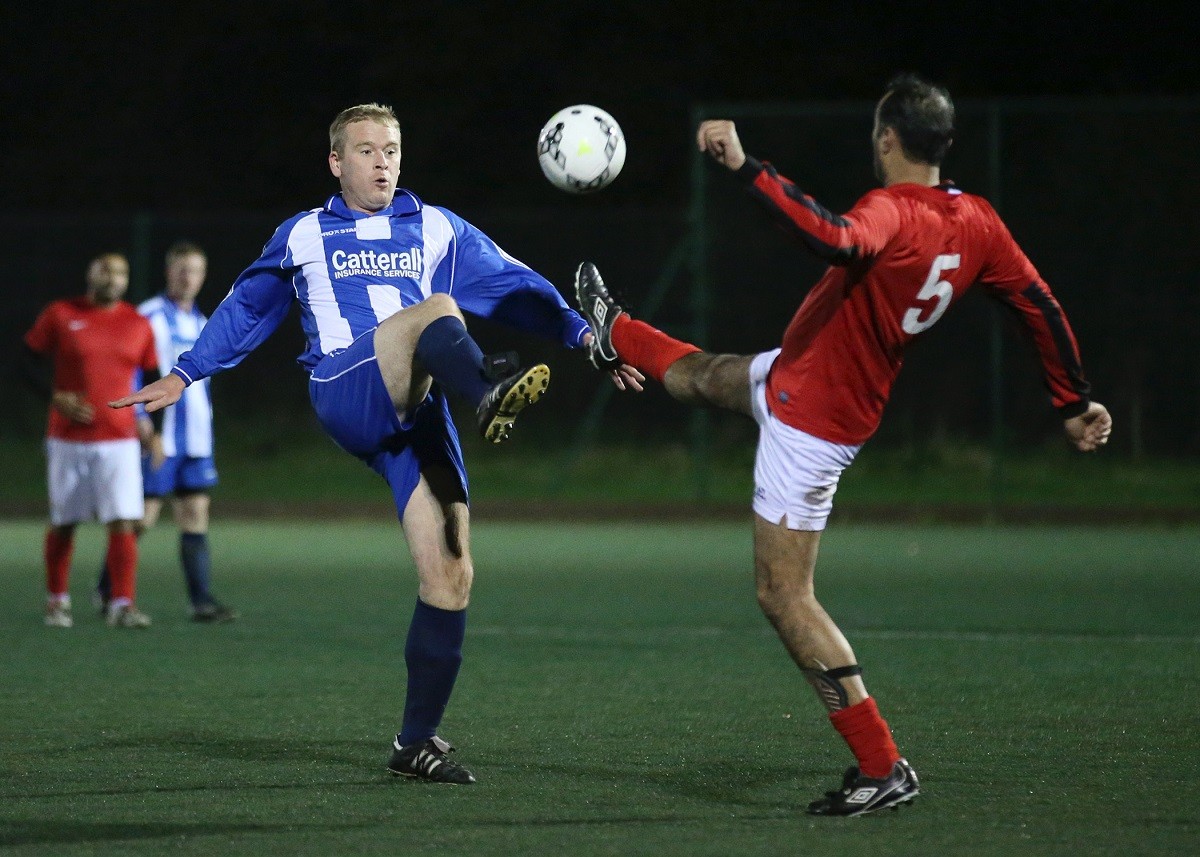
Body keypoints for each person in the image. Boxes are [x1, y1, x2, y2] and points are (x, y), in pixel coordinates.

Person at [574, 73, 1112, 816]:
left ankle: (881, 763)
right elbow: (1039, 304)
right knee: (709, 376)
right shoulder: (977, 220)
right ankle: (617, 329)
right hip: (807, 377)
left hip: (813, 421)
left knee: (783, 594)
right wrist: (1073, 400)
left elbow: (833, 236)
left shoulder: (892, 211)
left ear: (887, 139)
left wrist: (745, 167)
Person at [111, 103, 641, 784]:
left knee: (451, 573)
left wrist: (583, 337)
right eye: (365, 150)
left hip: (419, 409)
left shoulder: (436, 226)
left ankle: (414, 742)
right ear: (336, 162)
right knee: (436, 311)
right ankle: (487, 393)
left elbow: (515, 287)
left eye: (390, 148)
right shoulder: (304, 233)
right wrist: (186, 372)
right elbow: (248, 306)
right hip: (347, 385)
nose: (382, 161)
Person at [96, 242, 237, 622]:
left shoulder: (204, 323)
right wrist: (142, 421)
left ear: (203, 276)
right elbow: (130, 372)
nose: (187, 277)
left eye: (194, 270)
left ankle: (201, 601)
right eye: (180, 269)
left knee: (195, 515)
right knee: (141, 518)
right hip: (159, 437)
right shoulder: (147, 317)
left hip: (196, 440)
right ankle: (109, 590)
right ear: (168, 272)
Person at [23, 252, 160, 629]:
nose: (113, 278)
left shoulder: (138, 323)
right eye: (106, 270)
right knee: (65, 521)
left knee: (123, 521)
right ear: (91, 274)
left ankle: (122, 604)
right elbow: (24, 362)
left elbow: (152, 376)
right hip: (68, 439)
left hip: (119, 440)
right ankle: (57, 601)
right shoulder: (62, 314)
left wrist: (153, 429)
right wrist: (54, 396)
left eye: (120, 272)